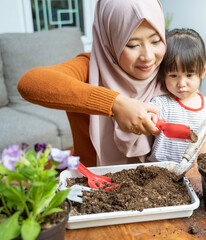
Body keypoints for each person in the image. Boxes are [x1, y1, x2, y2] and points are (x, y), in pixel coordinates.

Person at [17, 0, 167, 167]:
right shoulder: (90, 68)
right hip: (92, 179)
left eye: (155, 41)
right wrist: (115, 104)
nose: (147, 56)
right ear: (110, 41)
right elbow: (30, 82)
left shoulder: (171, 68)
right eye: (132, 45)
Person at [147, 28, 206, 165]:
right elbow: (149, 115)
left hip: (195, 175)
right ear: (163, 73)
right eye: (173, 75)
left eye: (189, 75)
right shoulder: (161, 104)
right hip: (161, 172)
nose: (181, 84)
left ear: (203, 71)